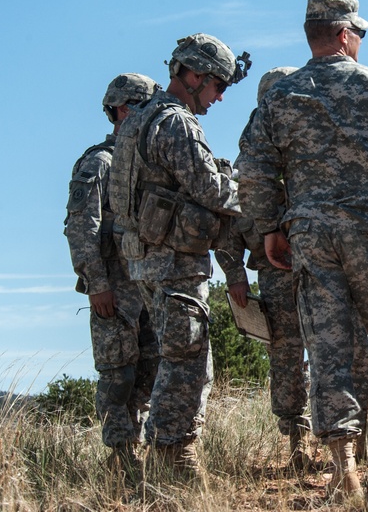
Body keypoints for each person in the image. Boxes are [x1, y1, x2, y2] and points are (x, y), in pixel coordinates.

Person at [239, 0, 368, 500]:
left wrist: (269, 227)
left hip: (311, 236)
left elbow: (254, 167)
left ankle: (344, 469)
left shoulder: (279, 96)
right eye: (359, 33)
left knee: (327, 347)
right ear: (343, 34)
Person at [219, 67, 368, 469]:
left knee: (349, 346)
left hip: (324, 264)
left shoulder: (312, 147)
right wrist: (235, 274)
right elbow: (231, 223)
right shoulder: (251, 157)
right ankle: (296, 443)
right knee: (287, 356)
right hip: (276, 272)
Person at [109, 33, 249, 479]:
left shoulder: (136, 121)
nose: (220, 96)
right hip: (174, 261)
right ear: (193, 76)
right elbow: (209, 188)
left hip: (145, 260)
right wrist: (254, 191)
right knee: (188, 360)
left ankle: (164, 454)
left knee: (175, 356)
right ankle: (175, 459)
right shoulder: (176, 122)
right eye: (218, 86)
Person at [64, 73, 161, 475]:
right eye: (142, 109)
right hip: (116, 293)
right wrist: (97, 285)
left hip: (149, 287)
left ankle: (137, 450)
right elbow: (81, 229)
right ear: (123, 109)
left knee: (149, 374)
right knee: (117, 375)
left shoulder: (146, 164)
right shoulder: (99, 163)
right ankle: (120, 457)